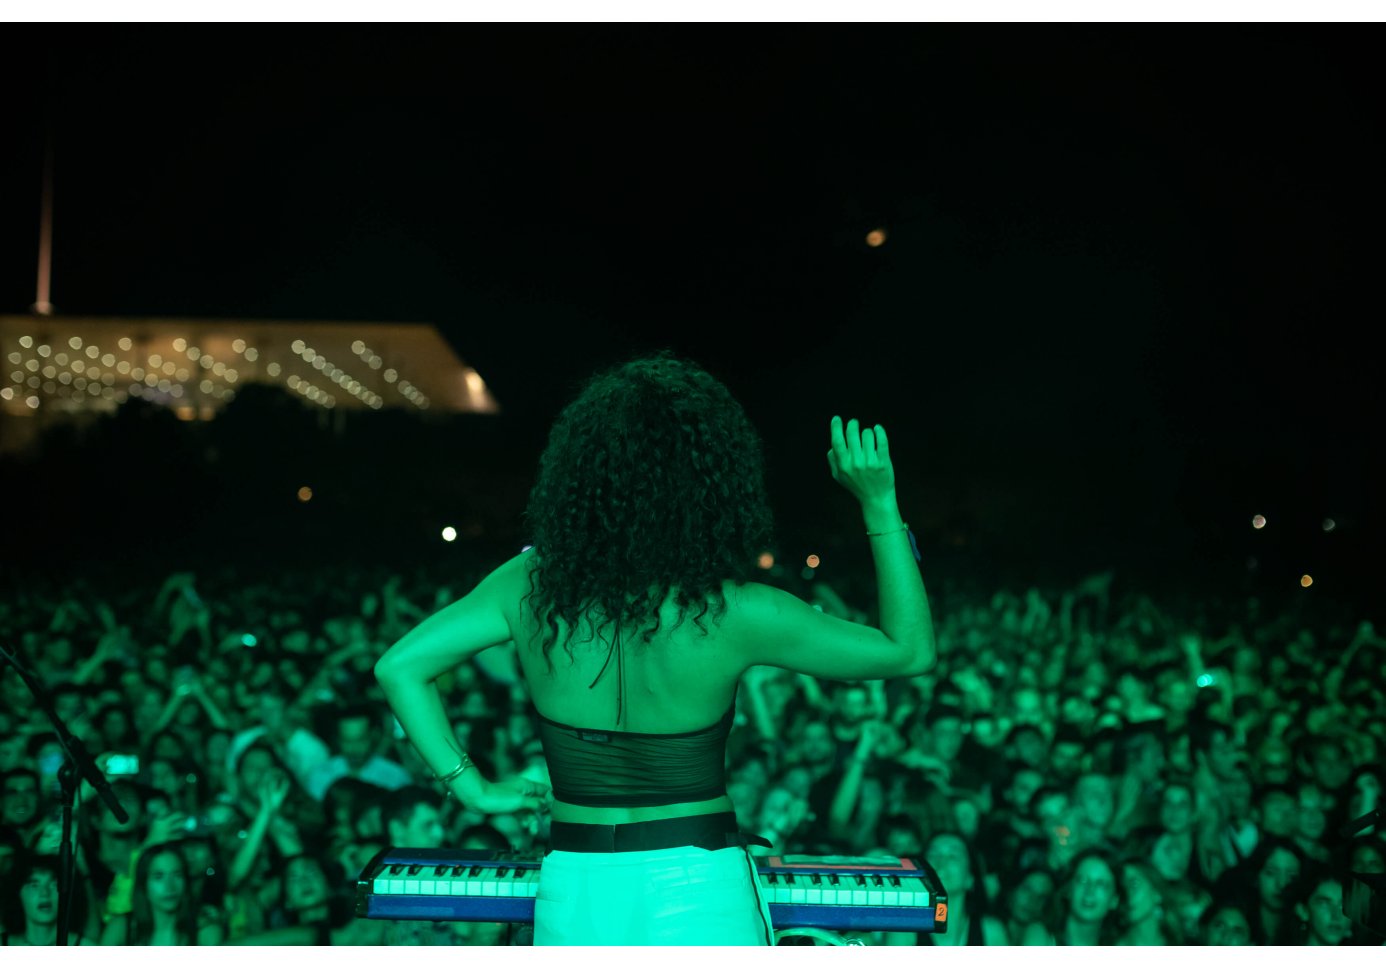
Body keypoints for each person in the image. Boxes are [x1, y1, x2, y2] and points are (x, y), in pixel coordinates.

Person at [375, 352, 935, 945]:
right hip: (702, 888)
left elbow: (400, 667)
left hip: (575, 888)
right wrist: (879, 502)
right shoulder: (738, 611)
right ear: (714, 483)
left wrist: (473, 788)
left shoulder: (527, 583)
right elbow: (908, 651)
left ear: (582, 475)